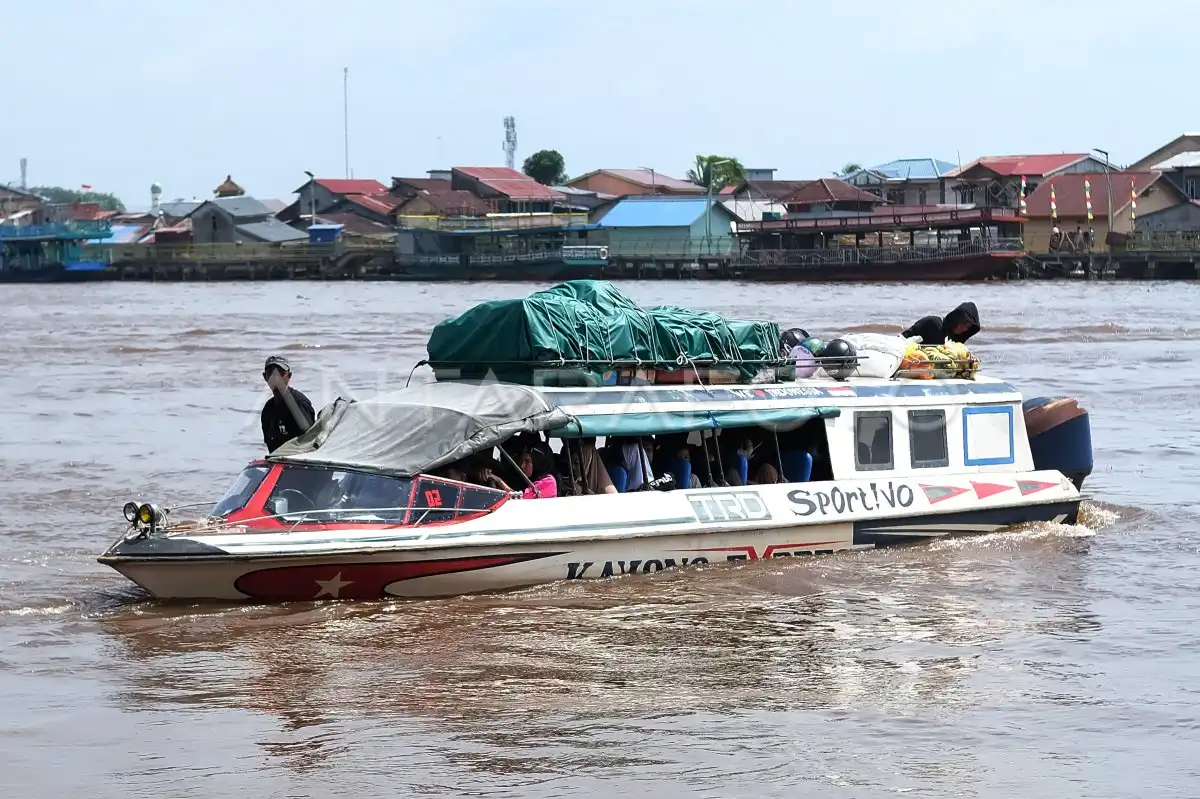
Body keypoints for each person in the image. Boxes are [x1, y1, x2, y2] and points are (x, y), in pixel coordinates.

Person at [260, 355, 315, 453]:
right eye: (271, 373)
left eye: (280, 373)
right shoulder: (268, 409)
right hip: (278, 459)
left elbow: (309, 442)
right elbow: (270, 445)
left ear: (289, 376)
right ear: (265, 377)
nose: (275, 377)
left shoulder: (299, 403)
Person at [902, 302, 980, 346]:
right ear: (956, 318)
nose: (964, 328)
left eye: (968, 327)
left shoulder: (953, 339)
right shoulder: (934, 324)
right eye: (963, 323)